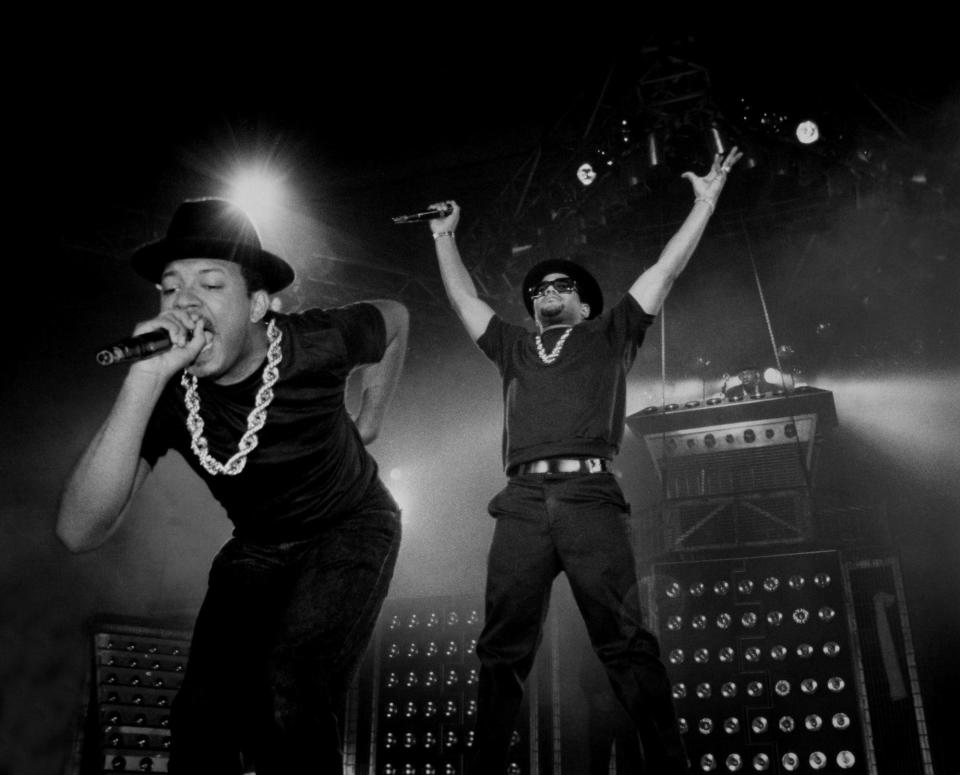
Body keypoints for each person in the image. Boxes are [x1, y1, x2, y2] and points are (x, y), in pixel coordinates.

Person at [56, 197, 409, 774]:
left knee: (287, 694)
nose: (185, 301)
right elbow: (78, 530)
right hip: (259, 544)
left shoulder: (318, 341)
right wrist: (143, 379)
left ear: (257, 304)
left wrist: (370, 416)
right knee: (199, 717)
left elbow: (395, 316)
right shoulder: (168, 395)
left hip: (350, 524)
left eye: (211, 283)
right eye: (170, 288)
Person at [427, 147, 742, 775]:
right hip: (520, 503)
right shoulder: (514, 346)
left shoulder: (612, 331)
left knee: (625, 642)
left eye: (561, 286)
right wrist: (443, 236)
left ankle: (670, 765)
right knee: (500, 649)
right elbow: (464, 300)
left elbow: (666, 270)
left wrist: (704, 202)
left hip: (589, 498)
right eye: (539, 288)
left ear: (586, 304)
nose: (547, 292)